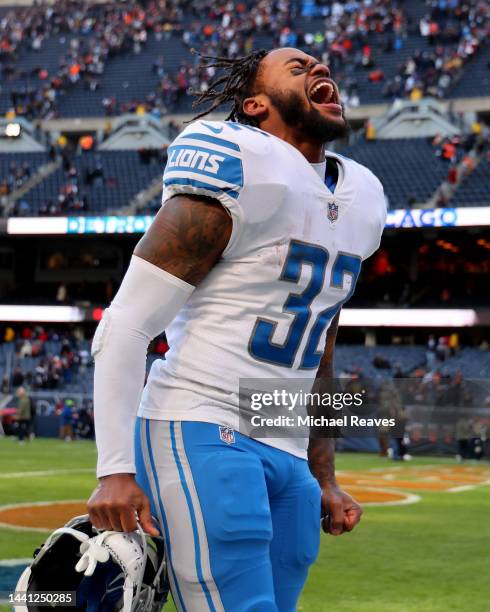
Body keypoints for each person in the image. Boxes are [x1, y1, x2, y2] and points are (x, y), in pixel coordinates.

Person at [87, 47, 387, 611]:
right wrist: (114, 470)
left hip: (286, 442)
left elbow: (320, 346)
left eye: (322, 66)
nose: (320, 70)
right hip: (200, 419)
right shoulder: (239, 162)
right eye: (297, 68)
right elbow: (126, 324)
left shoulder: (361, 197)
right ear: (254, 104)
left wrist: (322, 473)